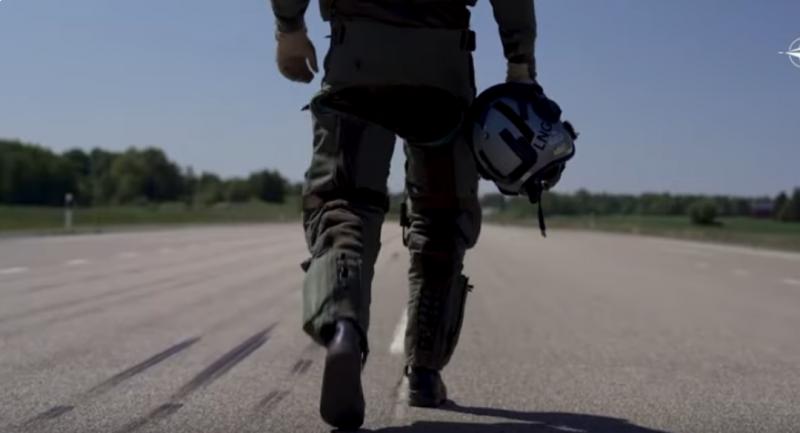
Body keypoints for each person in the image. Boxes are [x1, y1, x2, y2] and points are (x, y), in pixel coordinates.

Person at [268, 0, 548, 429]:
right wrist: (520, 63)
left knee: (344, 202)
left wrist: (289, 27)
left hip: (356, 60)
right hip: (442, 72)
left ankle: (342, 324)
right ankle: (424, 371)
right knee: (440, 218)